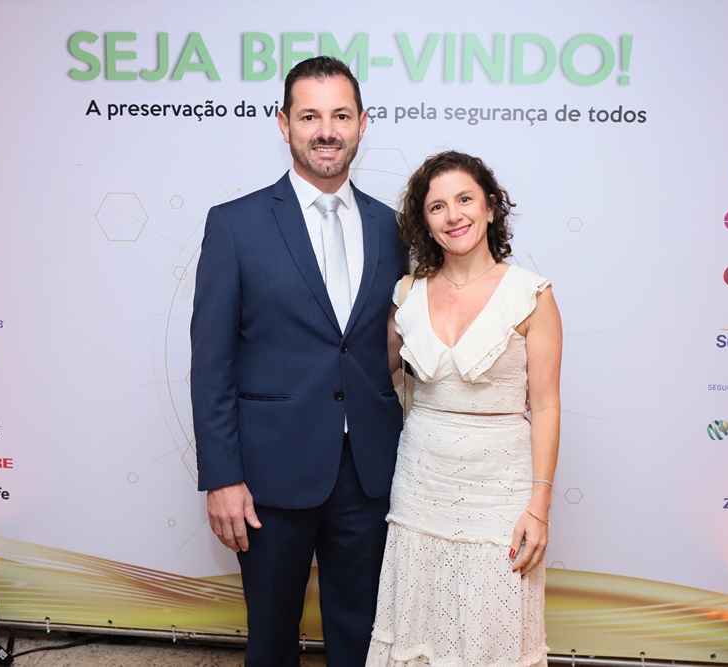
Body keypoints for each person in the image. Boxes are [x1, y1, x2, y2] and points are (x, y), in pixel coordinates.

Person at [190, 56, 408, 666]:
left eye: (341, 115)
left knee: (363, 637)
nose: (326, 131)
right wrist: (222, 477)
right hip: (269, 475)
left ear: (363, 123)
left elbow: (405, 341)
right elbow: (212, 363)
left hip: (369, 471)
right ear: (284, 123)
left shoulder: (394, 229)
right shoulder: (234, 226)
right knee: (271, 641)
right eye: (310, 116)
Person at [367, 151, 562, 666]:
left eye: (465, 199)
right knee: (416, 630)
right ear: (425, 222)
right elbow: (370, 373)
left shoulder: (531, 295)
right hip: (420, 486)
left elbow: (545, 405)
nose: (453, 215)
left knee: (491, 637)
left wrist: (539, 507)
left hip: (501, 493)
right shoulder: (407, 293)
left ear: (491, 207)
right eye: (437, 207)